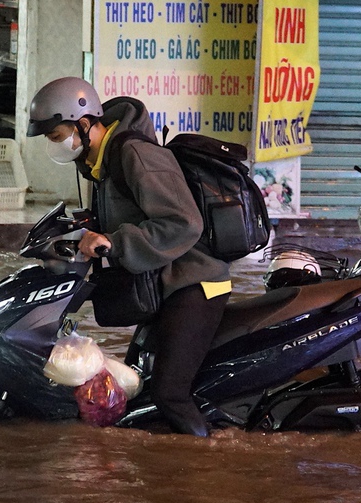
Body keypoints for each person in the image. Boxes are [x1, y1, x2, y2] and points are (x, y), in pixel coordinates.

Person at [26, 77, 231, 437]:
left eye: (56, 135)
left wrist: (114, 241)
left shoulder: (136, 155)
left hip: (196, 284)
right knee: (137, 386)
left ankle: (206, 459)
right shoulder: (97, 162)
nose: (53, 144)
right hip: (163, 282)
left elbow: (185, 223)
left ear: (83, 123)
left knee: (168, 394)